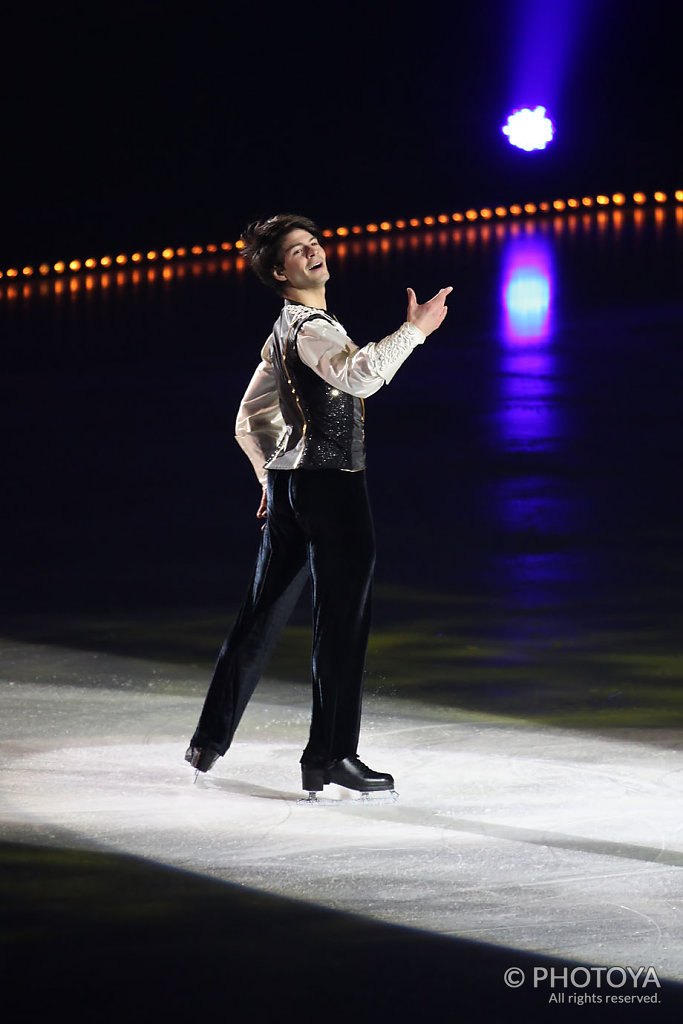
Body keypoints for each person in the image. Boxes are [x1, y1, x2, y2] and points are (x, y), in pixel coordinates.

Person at [185, 213, 452, 798]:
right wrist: (416, 331)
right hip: (332, 487)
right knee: (342, 620)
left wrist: (268, 476)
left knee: (261, 614)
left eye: (314, 243)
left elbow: (249, 420)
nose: (313, 252)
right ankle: (330, 755)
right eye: (298, 250)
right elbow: (361, 376)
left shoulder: (286, 329)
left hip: (292, 487)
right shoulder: (308, 329)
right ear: (279, 271)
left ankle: (208, 740)